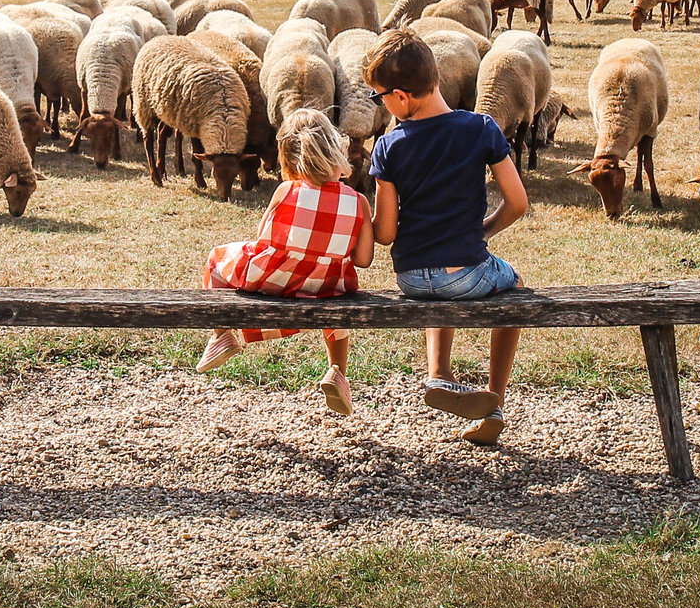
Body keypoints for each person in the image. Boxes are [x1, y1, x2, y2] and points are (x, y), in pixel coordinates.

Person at [361, 28, 532, 446]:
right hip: (468, 272)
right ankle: (494, 403)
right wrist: (483, 231)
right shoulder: (481, 129)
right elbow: (517, 203)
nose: (381, 104)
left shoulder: (388, 145)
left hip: (413, 279)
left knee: (438, 289)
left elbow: (384, 234)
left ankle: (439, 374)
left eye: (378, 96)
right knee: (516, 290)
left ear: (401, 97)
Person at [197, 109, 374, 415]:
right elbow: (364, 259)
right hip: (327, 286)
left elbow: (264, 237)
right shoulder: (358, 201)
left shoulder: (286, 190)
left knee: (216, 258)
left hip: (274, 280)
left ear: (290, 158)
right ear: (336, 150)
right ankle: (337, 372)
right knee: (337, 298)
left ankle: (222, 334)